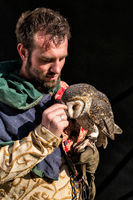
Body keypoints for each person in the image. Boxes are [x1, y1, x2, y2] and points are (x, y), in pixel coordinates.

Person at [0, 7, 98, 200]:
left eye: (62, 58)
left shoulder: (65, 91)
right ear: (23, 52)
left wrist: (85, 154)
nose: (57, 68)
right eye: (47, 60)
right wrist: (42, 138)